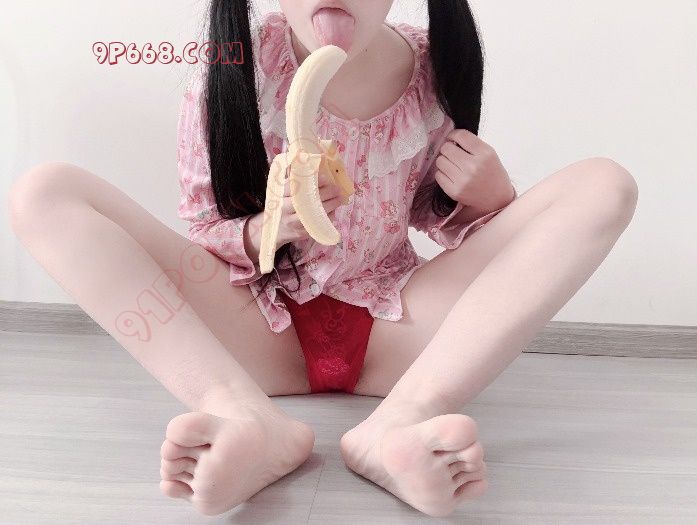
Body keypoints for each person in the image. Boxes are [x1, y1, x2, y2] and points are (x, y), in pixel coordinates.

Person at [7, 0, 638, 518]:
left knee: (604, 185)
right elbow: (203, 224)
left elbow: (443, 224)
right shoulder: (236, 61)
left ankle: (403, 420)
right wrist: (268, 227)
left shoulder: (430, 66)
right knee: (45, 193)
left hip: (398, 329)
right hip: (256, 324)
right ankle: (239, 413)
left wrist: (490, 201)